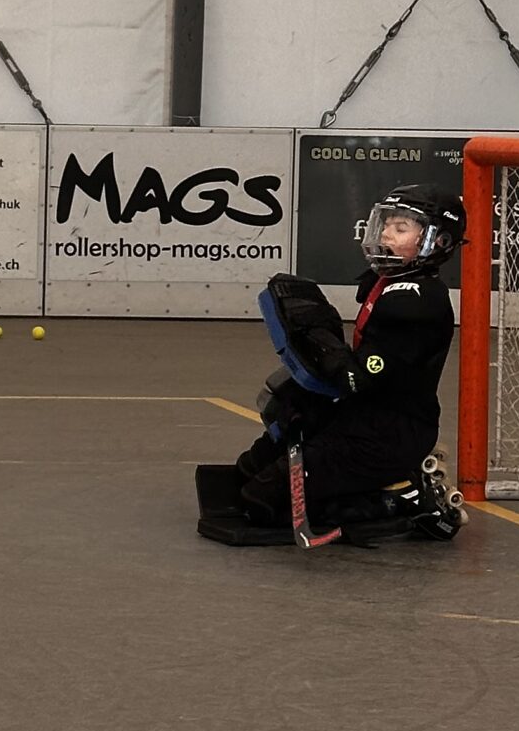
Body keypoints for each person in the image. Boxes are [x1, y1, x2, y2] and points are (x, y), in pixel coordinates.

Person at [198, 185, 467, 544]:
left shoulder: (416, 301)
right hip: (363, 416)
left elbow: (356, 378)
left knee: (262, 502)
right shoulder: (389, 282)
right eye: (387, 224)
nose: (386, 234)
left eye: (401, 228)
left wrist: (317, 337)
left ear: (437, 242)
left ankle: (402, 497)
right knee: (253, 465)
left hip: (387, 436)